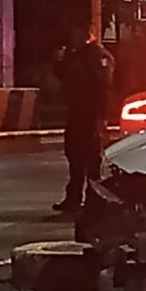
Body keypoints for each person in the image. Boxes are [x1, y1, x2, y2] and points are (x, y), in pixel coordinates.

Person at [52, 24, 114, 212]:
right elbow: (63, 76)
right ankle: (74, 198)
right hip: (76, 113)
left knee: (91, 160)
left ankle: (95, 200)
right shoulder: (75, 56)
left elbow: (103, 87)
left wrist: (100, 117)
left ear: (89, 34)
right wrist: (59, 61)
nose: (74, 39)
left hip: (90, 114)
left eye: (78, 34)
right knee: (74, 156)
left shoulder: (98, 56)